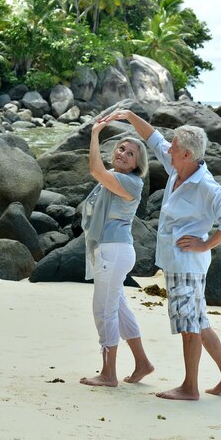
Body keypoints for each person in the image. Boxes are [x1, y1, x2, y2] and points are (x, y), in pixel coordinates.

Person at [98, 109, 221, 401]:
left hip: (187, 263)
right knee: (199, 322)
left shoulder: (206, 186)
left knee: (189, 327)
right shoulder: (179, 166)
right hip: (177, 261)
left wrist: (205, 244)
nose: (168, 149)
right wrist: (128, 115)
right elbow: (152, 138)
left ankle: (190, 388)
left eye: (174, 148)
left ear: (187, 154)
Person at [80, 120, 154, 388]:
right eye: (121, 148)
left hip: (115, 252)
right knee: (119, 310)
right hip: (112, 251)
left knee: (104, 311)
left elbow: (94, 169)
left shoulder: (129, 182)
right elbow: (100, 172)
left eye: (130, 153)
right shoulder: (115, 178)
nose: (122, 153)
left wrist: (95, 133)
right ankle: (143, 363)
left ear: (136, 164)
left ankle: (108, 373)